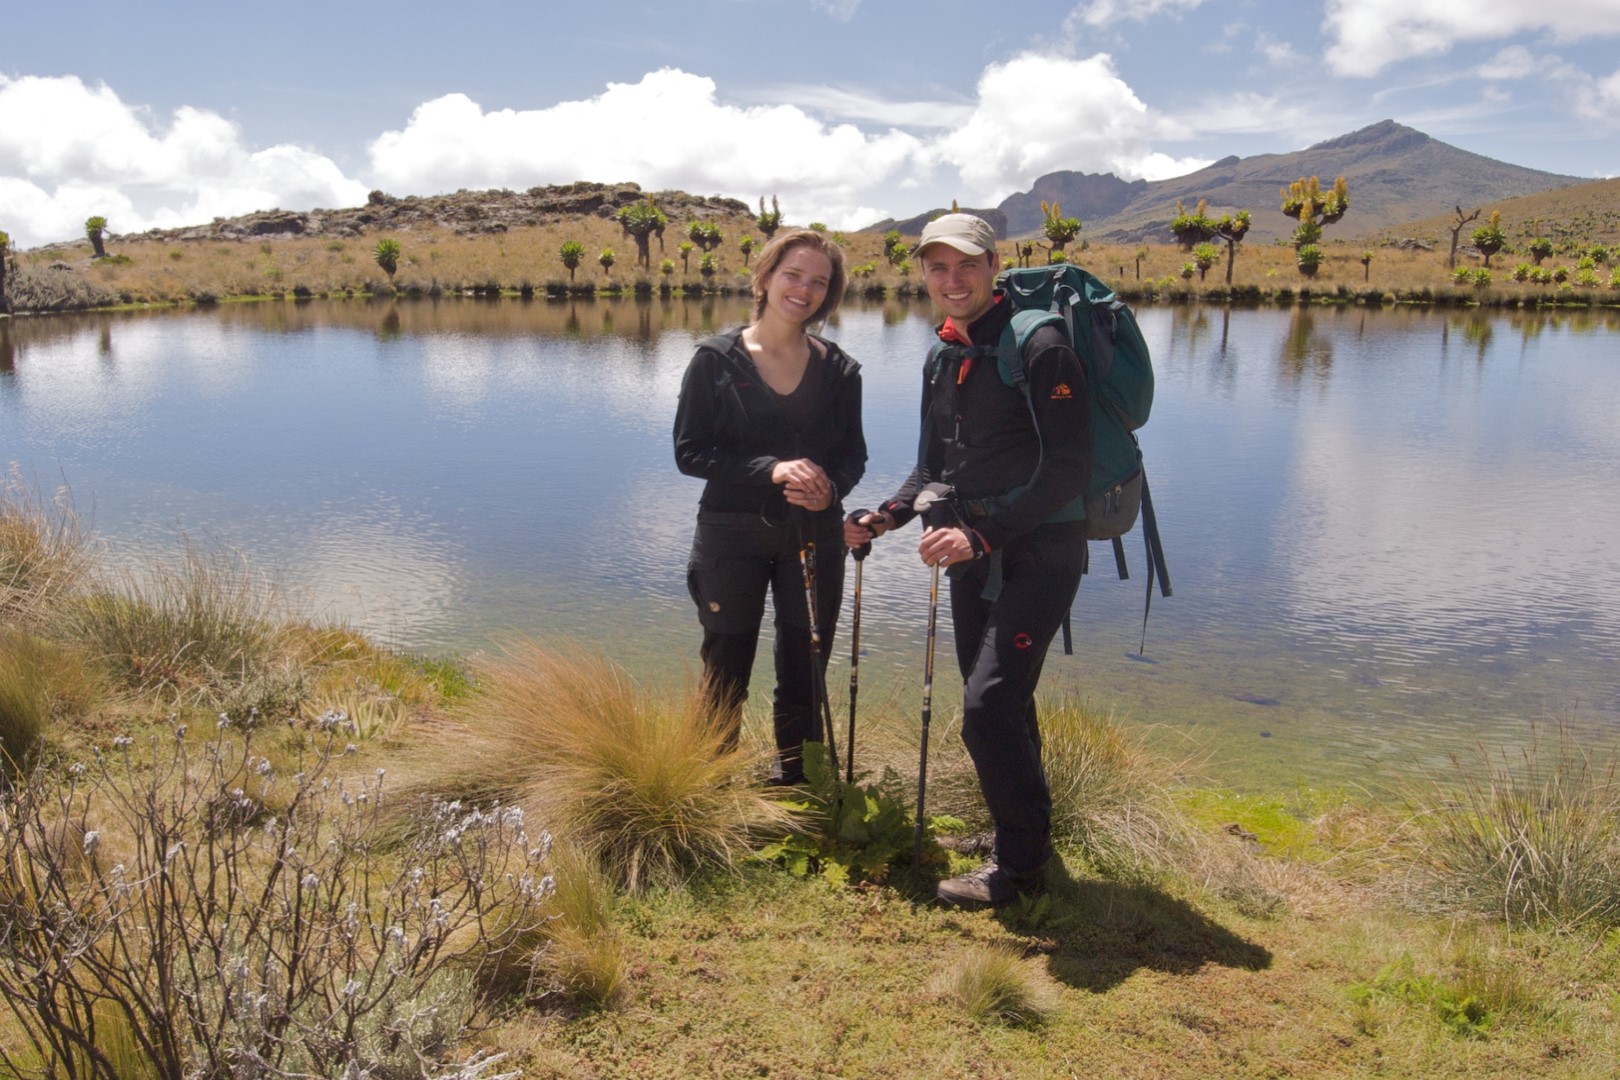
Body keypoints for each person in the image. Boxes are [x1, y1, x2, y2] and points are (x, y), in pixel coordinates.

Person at [845, 213, 1091, 907]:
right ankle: (1022, 836)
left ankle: (1019, 874)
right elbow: (932, 465)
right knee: (1004, 704)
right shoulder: (944, 351)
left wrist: (983, 536)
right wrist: (886, 516)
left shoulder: (1040, 345)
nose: (951, 280)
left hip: (1040, 552)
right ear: (923, 272)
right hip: (969, 551)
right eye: (937, 267)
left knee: (987, 707)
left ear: (994, 266)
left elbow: (1069, 468)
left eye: (966, 265)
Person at [674, 227, 866, 784]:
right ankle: (706, 792)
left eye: (818, 282)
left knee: (806, 667)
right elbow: (690, 454)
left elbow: (853, 456)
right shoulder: (715, 361)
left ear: (828, 295)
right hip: (730, 537)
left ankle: (798, 789)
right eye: (793, 275)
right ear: (764, 277)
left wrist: (833, 489)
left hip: (814, 536)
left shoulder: (841, 370)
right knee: (725, 668)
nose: (803, 290)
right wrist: (773, 469)